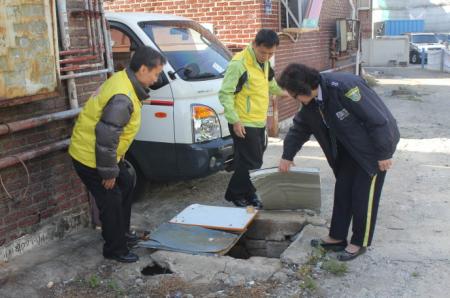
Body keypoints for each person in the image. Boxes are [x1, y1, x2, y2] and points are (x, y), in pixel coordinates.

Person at [277, 63, 400, 261]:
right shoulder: (311, 104)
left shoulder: (344, 87)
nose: (293, 99)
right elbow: (299, 128)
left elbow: (377, 119)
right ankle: (337, 237)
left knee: (363, 198)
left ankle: (359, 242)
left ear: (305, 88)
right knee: (343, 192)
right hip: (347, 150)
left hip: (372, 151)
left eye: (294, 94)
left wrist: (384, 153)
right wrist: (287, 156)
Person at [69, 46, 166, 263]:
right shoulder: (123, 97)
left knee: (127, 181)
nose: (156, 78)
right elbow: (106, 136)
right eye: (156, 73)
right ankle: (115, 249)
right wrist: (108, 173)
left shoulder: (125, 80)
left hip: (102, 154)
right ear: (142, 69)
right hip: (90, 157)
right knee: (111, 199)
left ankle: (121, 234)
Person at [219, 29, 286, 208]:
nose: (266, 56)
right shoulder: (239, 64)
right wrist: (235, 121)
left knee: (248, 160)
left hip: (258, 120)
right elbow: (225, 94)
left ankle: (248, 193)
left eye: (271, 53)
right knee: (252, 160)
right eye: (263, 52)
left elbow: (270, 83)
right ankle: (235, 193)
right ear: (255, 44)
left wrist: (284, 93)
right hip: (243, 121)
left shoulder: (264, 63)